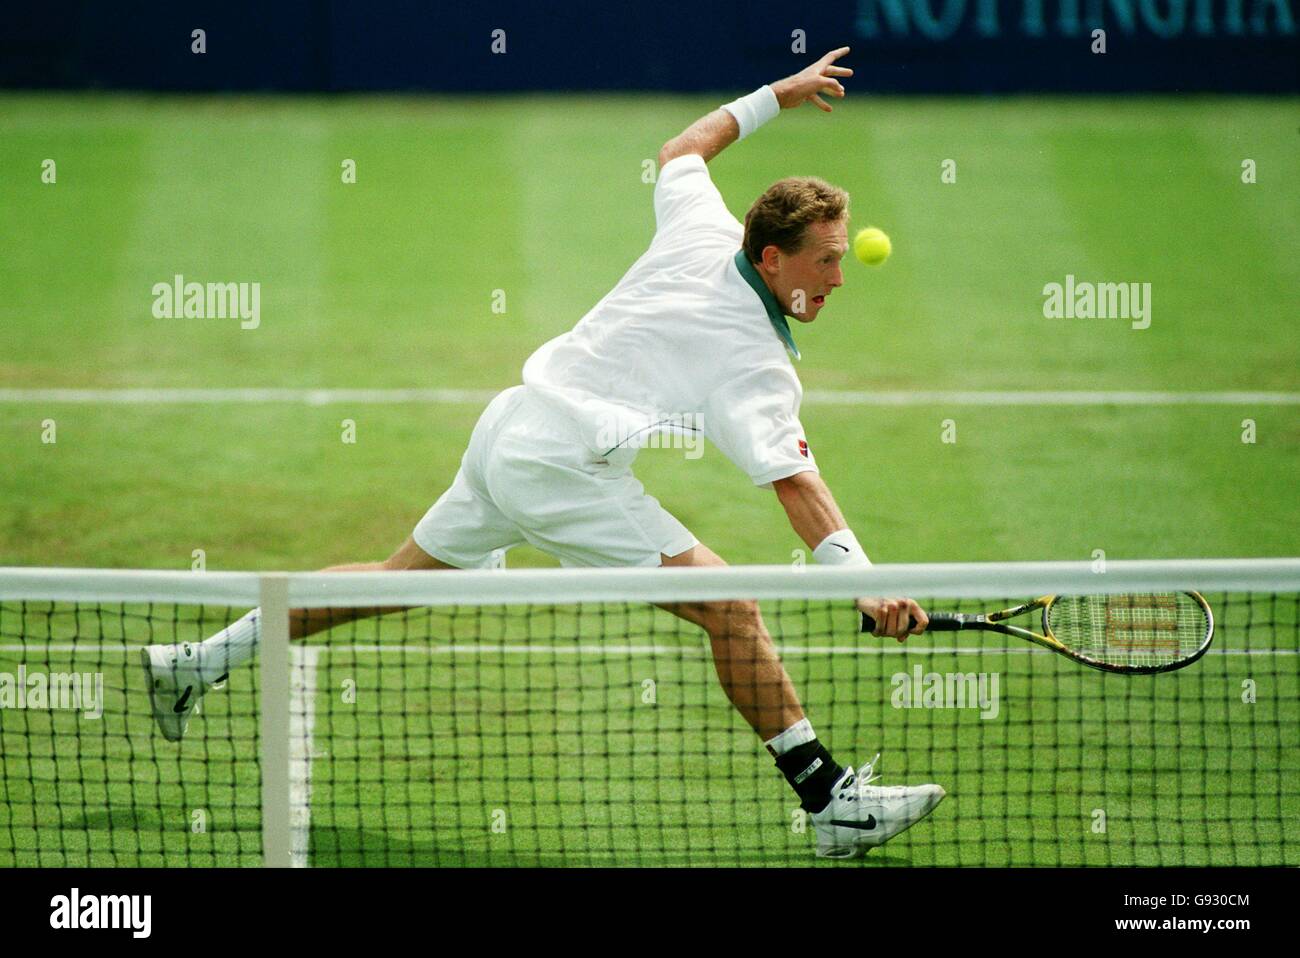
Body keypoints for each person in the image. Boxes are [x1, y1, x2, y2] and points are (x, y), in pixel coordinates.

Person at [143, 46, 945, 859]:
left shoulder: (705, 226)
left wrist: (778, 93)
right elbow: (796, 487)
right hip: (559, 472)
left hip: (511, 429)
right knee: (731, 608)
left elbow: (683, 151)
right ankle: (832, 805)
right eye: (828, 260)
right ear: (772, 257)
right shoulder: (753, 364)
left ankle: (194, 662)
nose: (841, 278)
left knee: (395, 582)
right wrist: (868, 586)